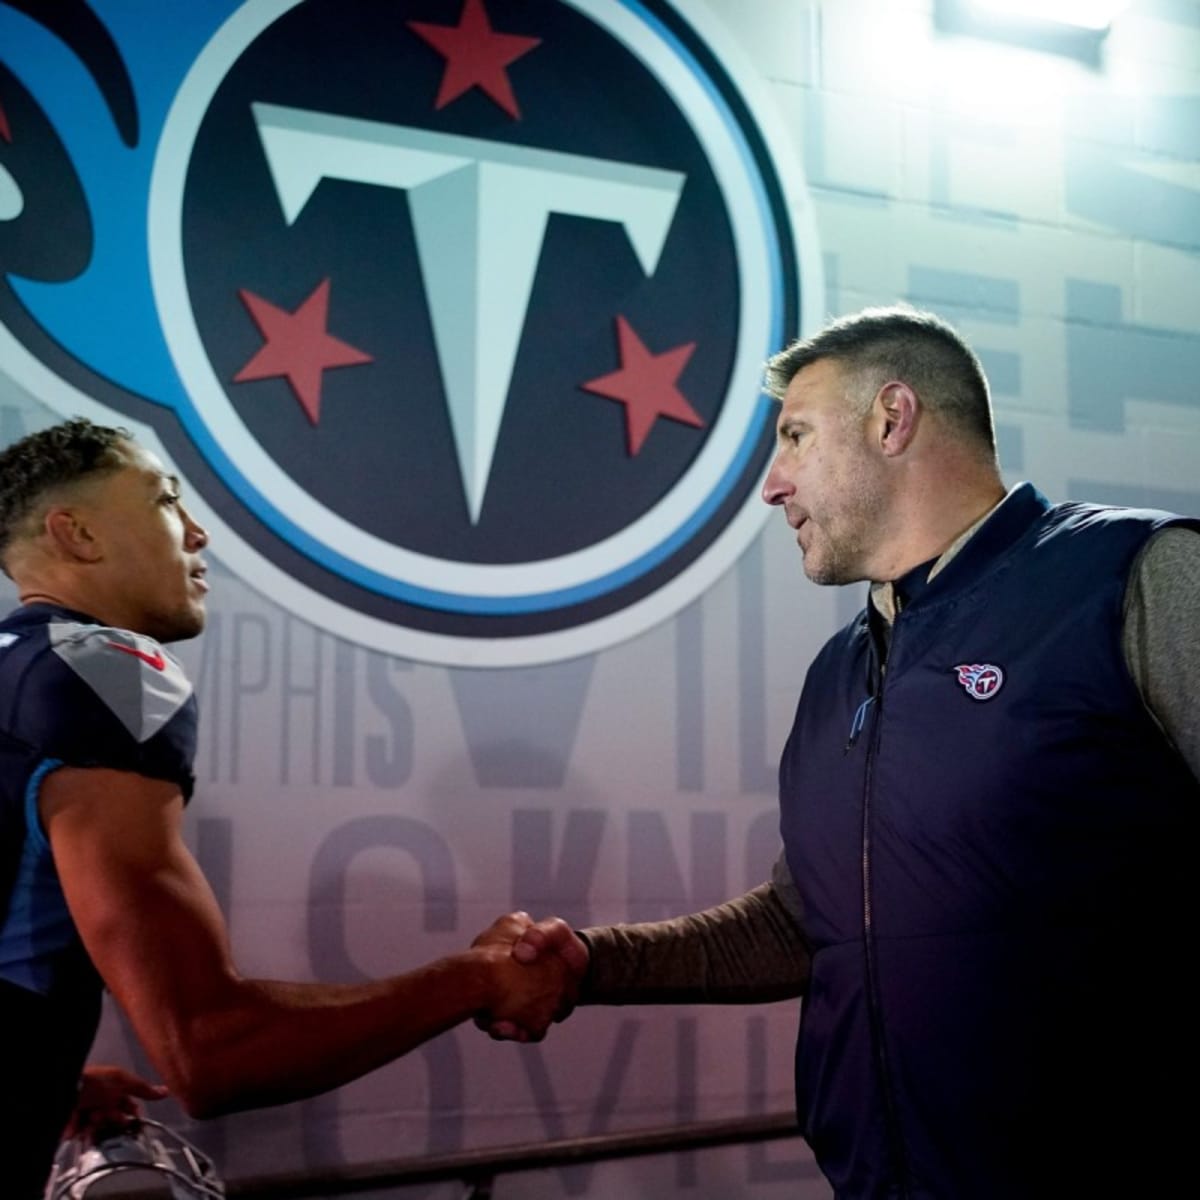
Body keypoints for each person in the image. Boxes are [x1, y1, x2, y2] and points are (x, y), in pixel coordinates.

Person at [494, 304, 1200, 1199]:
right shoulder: (840, 672)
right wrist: (591, 964)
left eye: (795, 437)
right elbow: (807, 921)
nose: (772, 485)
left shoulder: (1139, 576)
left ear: (891, 418)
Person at [0, 418, 569, 1197]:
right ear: (78, 533)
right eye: (167, 501)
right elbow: (212, 1052)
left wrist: (44, 1072)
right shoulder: (105, 674)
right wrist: (478, 978)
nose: (197, 533)